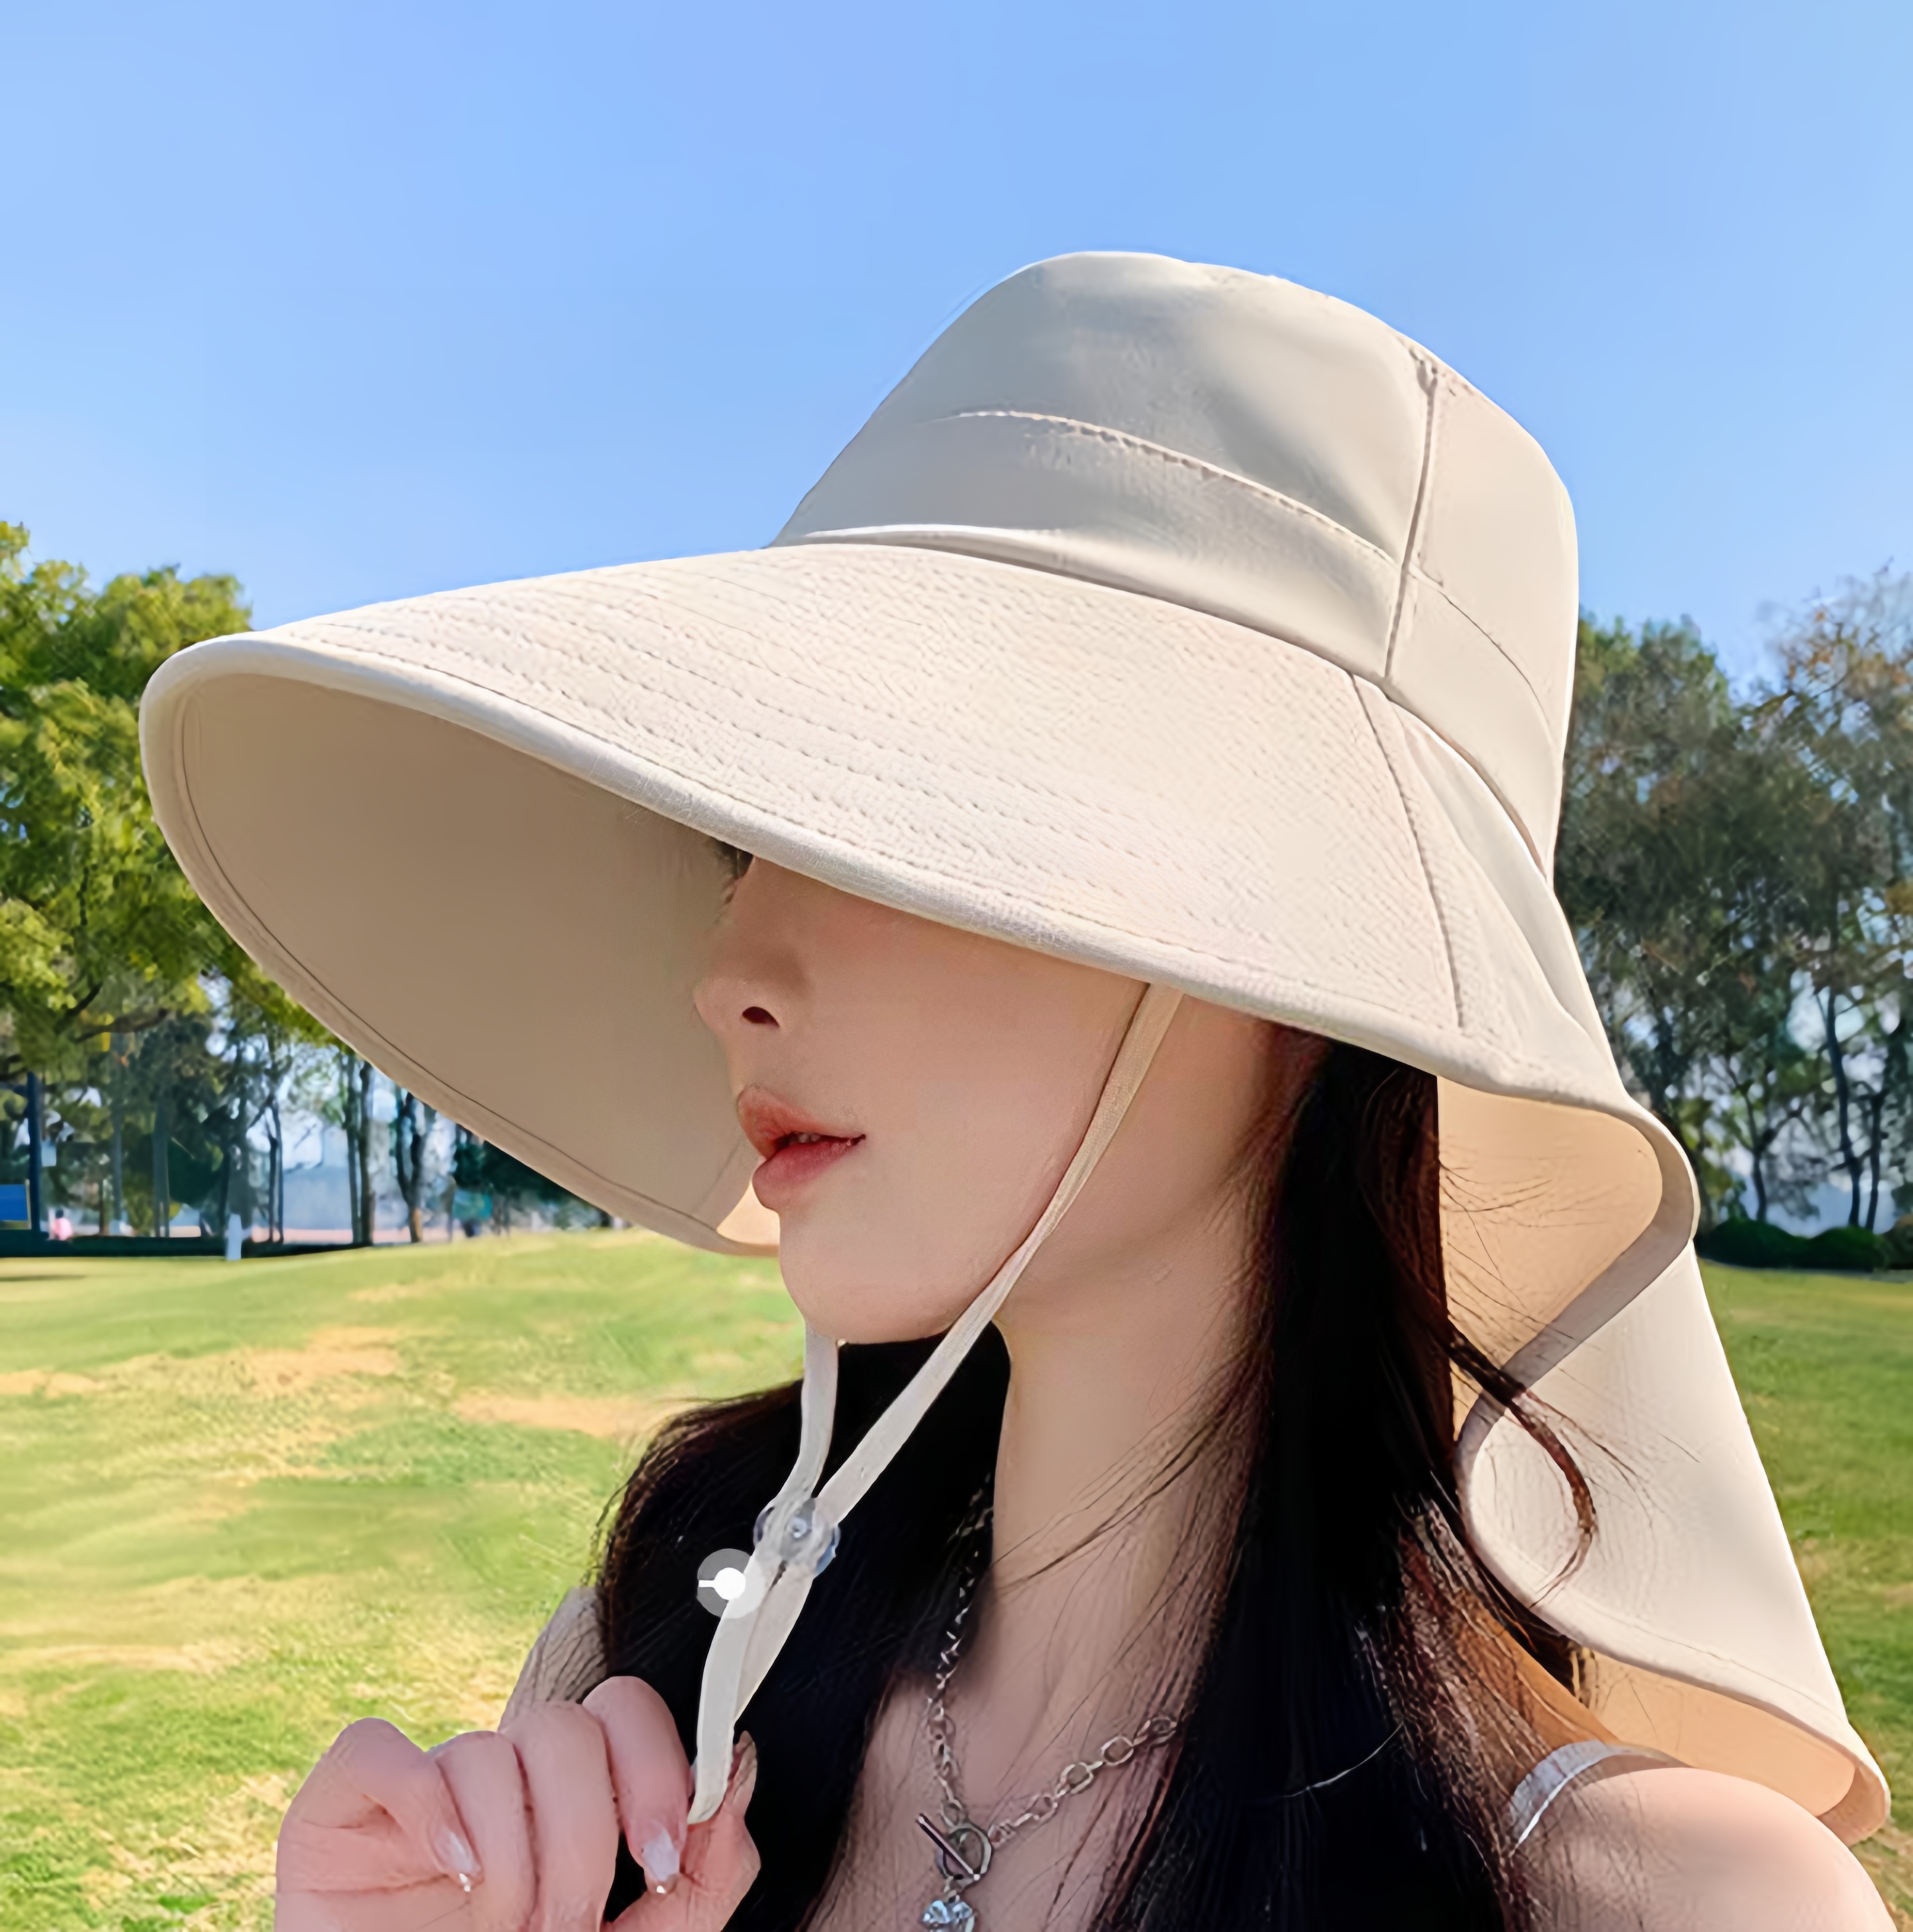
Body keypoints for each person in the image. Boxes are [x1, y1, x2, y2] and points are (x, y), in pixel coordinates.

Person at [142, 254, 1892, 1931]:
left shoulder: (1662, 1907)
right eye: (743, 839)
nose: (727, 967)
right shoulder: (644, 1701)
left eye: (888, 816)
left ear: (1300, 948)